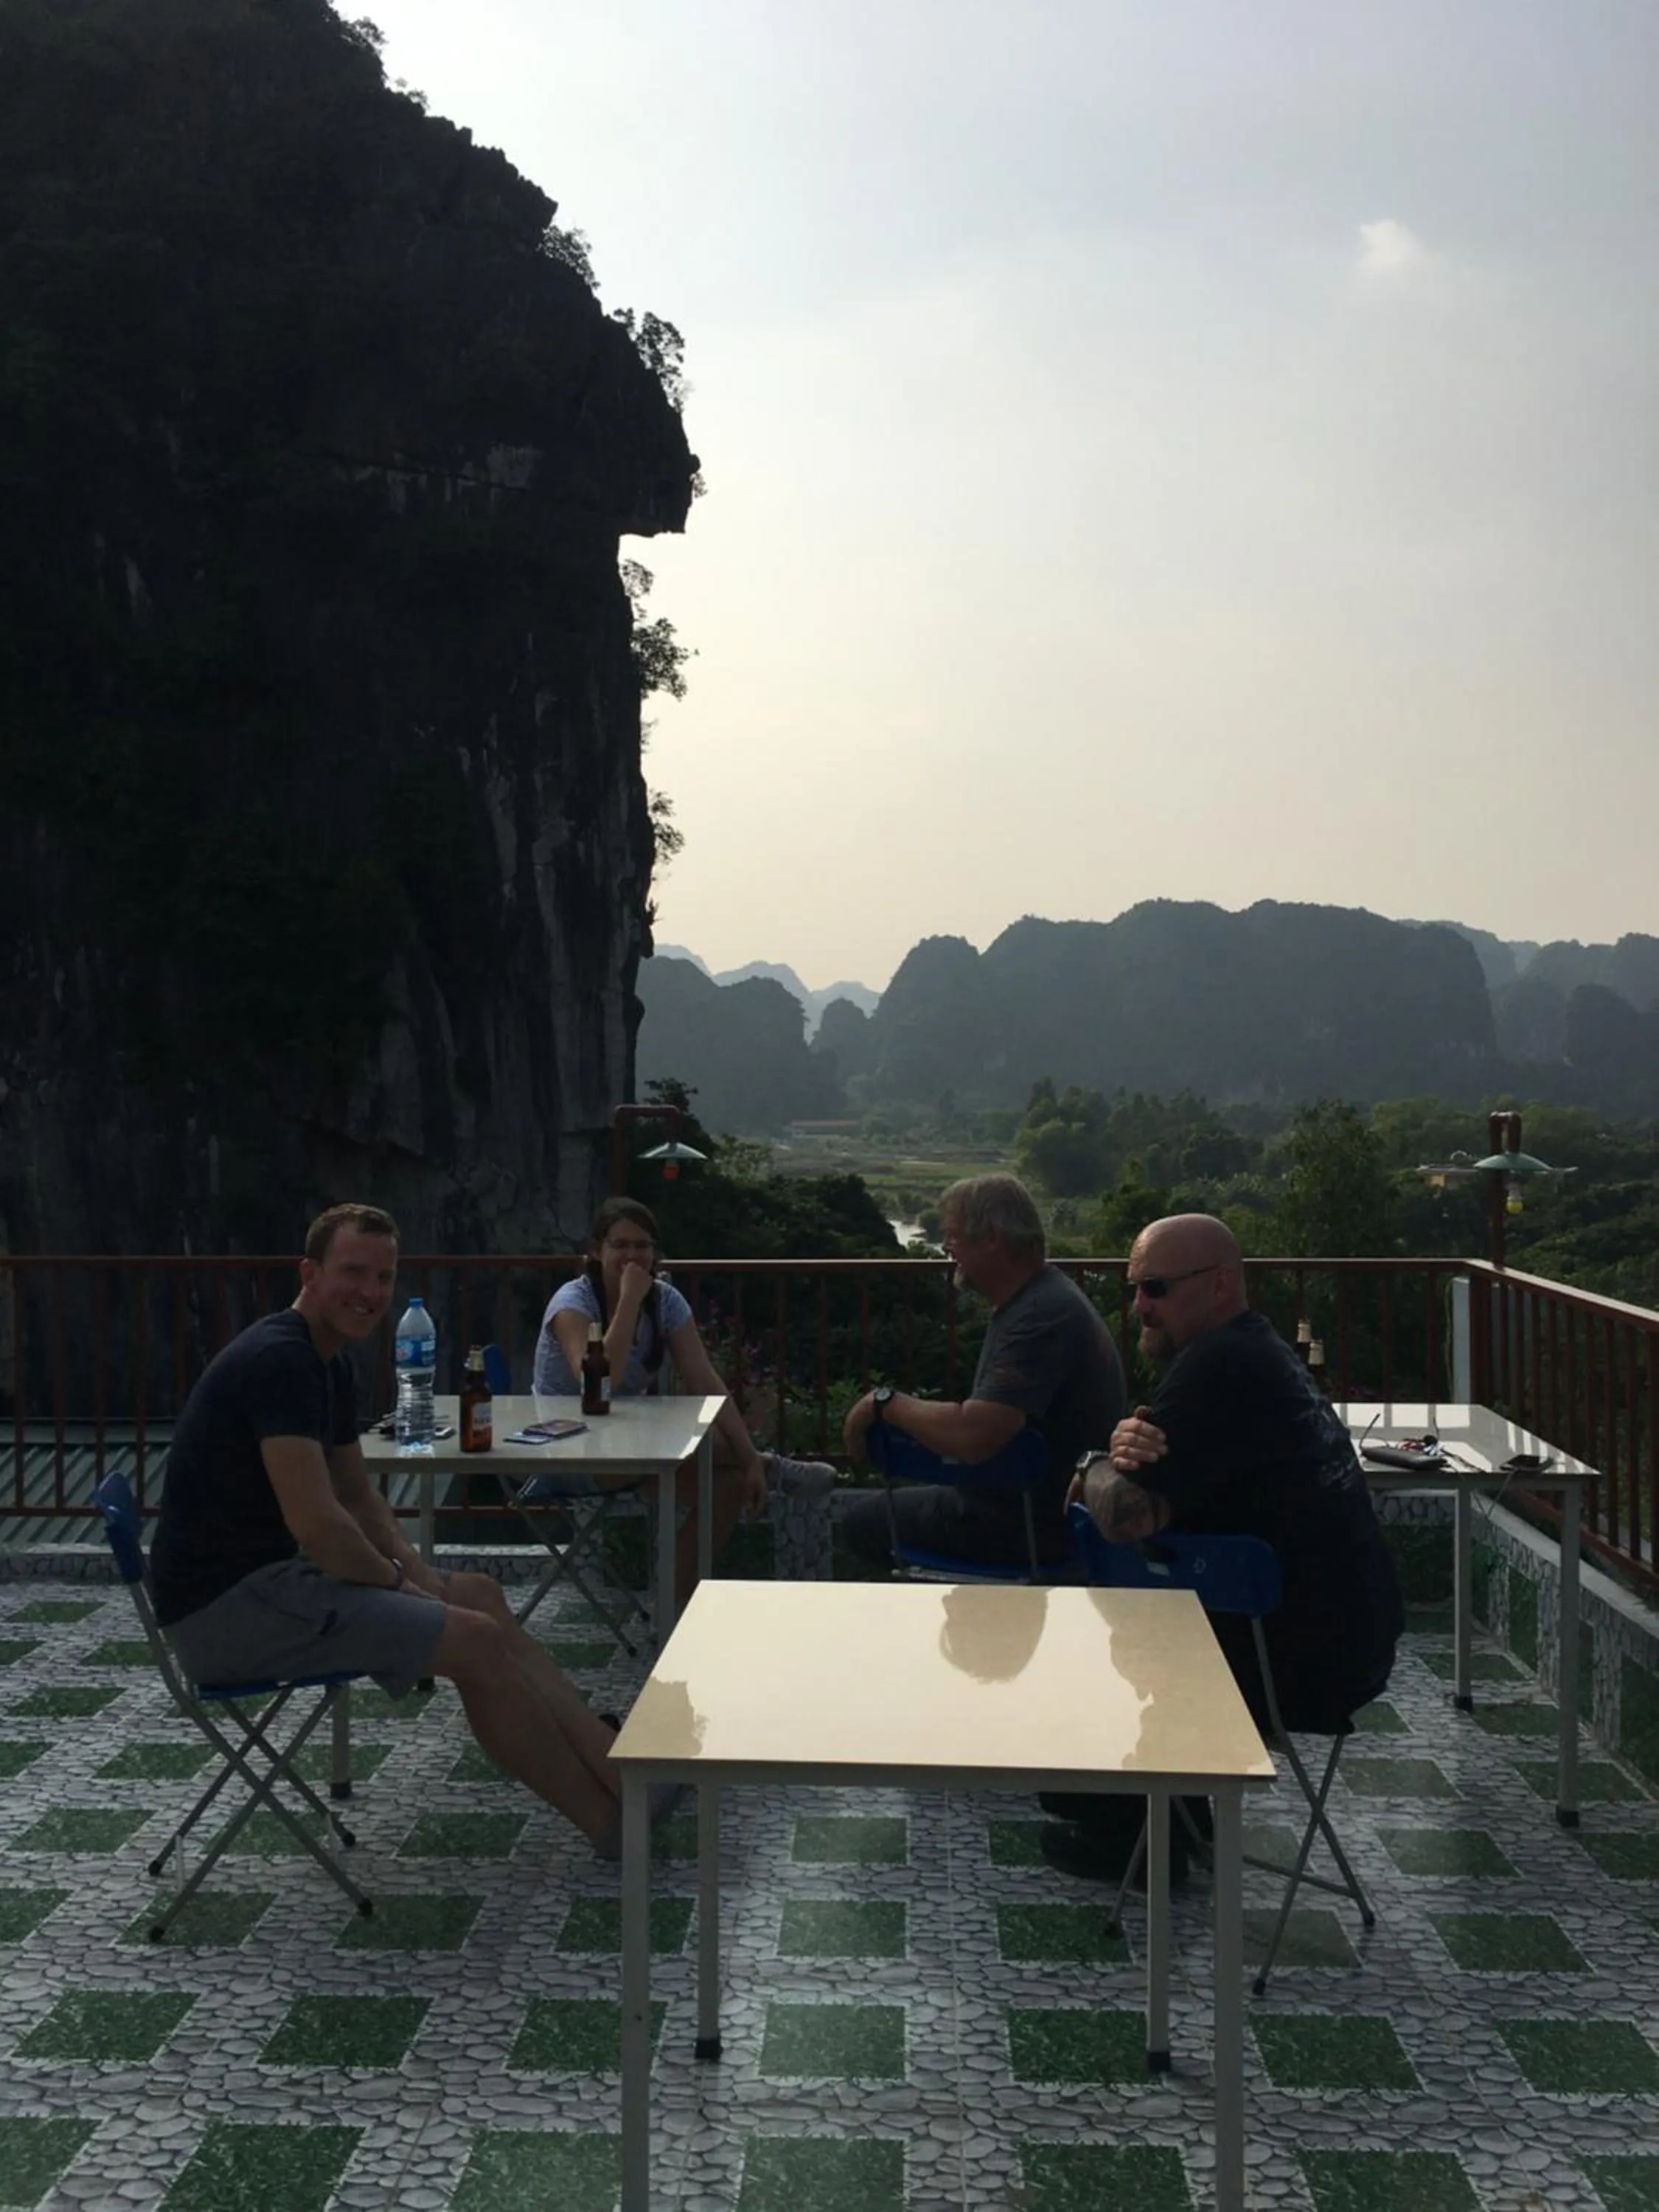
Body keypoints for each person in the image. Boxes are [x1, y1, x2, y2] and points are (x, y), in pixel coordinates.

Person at [150, 1203, 661, 1861]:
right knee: (473, 1641)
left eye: (383, 1278)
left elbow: (359, 1496)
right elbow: (318, 1522)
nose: (369, 1293)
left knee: (477, 1594)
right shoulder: (280, 1363)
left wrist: (418, 1574)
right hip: (227, 1615)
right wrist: (402, 1585)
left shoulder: (325, 1360)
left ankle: (618, 1770)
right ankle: (610, 1824)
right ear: (309, 1272)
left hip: (274, 1588)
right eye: (352, 1273)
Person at [1040, 1211, 1403, 1884]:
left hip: (1293, 1663)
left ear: (1220, 1285)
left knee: (1102, 1639)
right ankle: (1171, 1811)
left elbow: (1123, 1514)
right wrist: (1110, 1459)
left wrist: (1090, 1464)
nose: (1140, 1307)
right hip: (1351, 1640)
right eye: (1135, 1289)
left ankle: (1147, 1845)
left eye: (1156, 1288)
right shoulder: (1259, 1352)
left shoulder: (1219, 1365)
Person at [532, 1197, 837, 1607]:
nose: (633, 1255)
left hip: (631, 1447)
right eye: (620, 1245)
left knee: (727, 1485)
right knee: (709, 1454)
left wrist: (744, 1460)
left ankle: (672, 1610)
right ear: (596, 1250)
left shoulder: (664, 1301)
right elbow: (602, 1380)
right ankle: (770, 1465)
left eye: (642, 1246)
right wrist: (627, 1301)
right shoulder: (572, 1303)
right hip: (569, 1452)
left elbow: (706, 1381)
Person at [838, 1173, 1126, 1570]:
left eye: (954, 1236)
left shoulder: (1040, 1316)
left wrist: (882, 1403)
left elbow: (975, 1435)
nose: (947, 1247)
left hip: (1027, 1524)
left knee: (860, 1524)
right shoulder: (1043, 1297)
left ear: (991, 1237)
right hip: (1029, 1509)